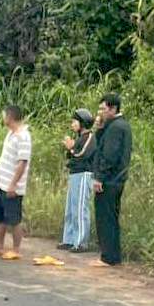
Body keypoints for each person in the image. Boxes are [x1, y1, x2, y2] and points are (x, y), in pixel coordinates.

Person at [91, 93, 132, 267]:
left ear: (113, 108)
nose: (100, 112)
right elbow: (100, 144)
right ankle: (112, 256)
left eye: (103, 109)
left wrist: (100, 176)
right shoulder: (119, 125)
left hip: (110, 179)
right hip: (117, 178)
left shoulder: (116, 127)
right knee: (111, 217)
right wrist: (100, 128)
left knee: (105, 217)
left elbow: (110, 155)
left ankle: (108, 257)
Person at [0, 105, 32, 259]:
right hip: (0, 181)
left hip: (12, 185)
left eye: (4, 115)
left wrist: (13, 184)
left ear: (10, 117)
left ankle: (16, 249)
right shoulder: (10, 134)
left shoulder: (23, 136)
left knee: (14, 219)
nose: (3, 118)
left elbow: (22, 163)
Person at [59, 108, 97, 252]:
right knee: (70, 208)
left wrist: (71, 148)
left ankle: (80, 242)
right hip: (74, 174)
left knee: (80, 209)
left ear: (83, 123)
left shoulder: (90, 137)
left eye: (75, 121)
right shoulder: (80, 138)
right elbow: (72, 156)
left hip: (84, 175)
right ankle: (69, 239)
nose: (72, 124)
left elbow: (82, 154)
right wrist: (71, 149)